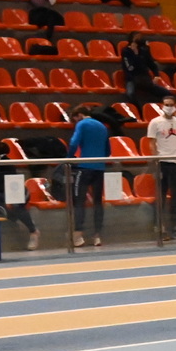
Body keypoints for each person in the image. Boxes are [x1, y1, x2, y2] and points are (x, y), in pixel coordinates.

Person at [148, 95, 176, 240]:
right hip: (162, 162)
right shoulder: (155, 122)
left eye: (171, 104)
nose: (169, 107)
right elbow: (151, 143)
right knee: (160, 197)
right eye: (166, 104)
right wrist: (156, 160)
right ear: (162, 105)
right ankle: (160, 228)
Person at [0, 139, 40, 251]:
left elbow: (11, 183)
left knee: (14, 205)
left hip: (17, 191)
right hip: (0, 192)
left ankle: (33, 231)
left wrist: (9, 198)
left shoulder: (6, 163)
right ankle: (14, 219)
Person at [68, 104, 110, 246]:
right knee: (97, 202)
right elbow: (108, 150)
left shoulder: (82, 124)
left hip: (85, 167)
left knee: (79, 201)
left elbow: (74, 143)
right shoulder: (102, 126)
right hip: (99, 168)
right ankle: (97, 235)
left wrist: (69, 157)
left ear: (79, 115)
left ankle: (78, 234)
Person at [121, 30, 166, 105]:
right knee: (130, 94)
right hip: (132, 78)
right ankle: (138, 110)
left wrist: (156, 75)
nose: (140, 39)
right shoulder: (126, 51)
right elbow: (130, 68)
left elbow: (151, 64)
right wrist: (135, 54)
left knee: (166, 93)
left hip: (145, 78)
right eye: (137, 38)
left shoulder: (144, 50)